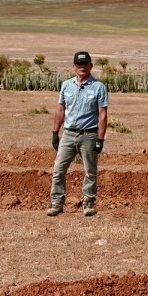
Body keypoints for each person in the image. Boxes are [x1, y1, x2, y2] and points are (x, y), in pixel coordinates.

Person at [47, 51, 108, 217]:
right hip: (68, 134)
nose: (82, 67)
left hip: (89, 135)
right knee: (58, 169)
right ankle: (57, 203)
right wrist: (55, 133)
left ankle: (88, 203)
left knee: (90, 171)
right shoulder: (66, 86)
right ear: (74, 67)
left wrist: (100, 139)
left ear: (91, 66)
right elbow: (60, 109)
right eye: (79, 64)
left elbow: (102, 114)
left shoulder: (99, 87)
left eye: (85, 64)